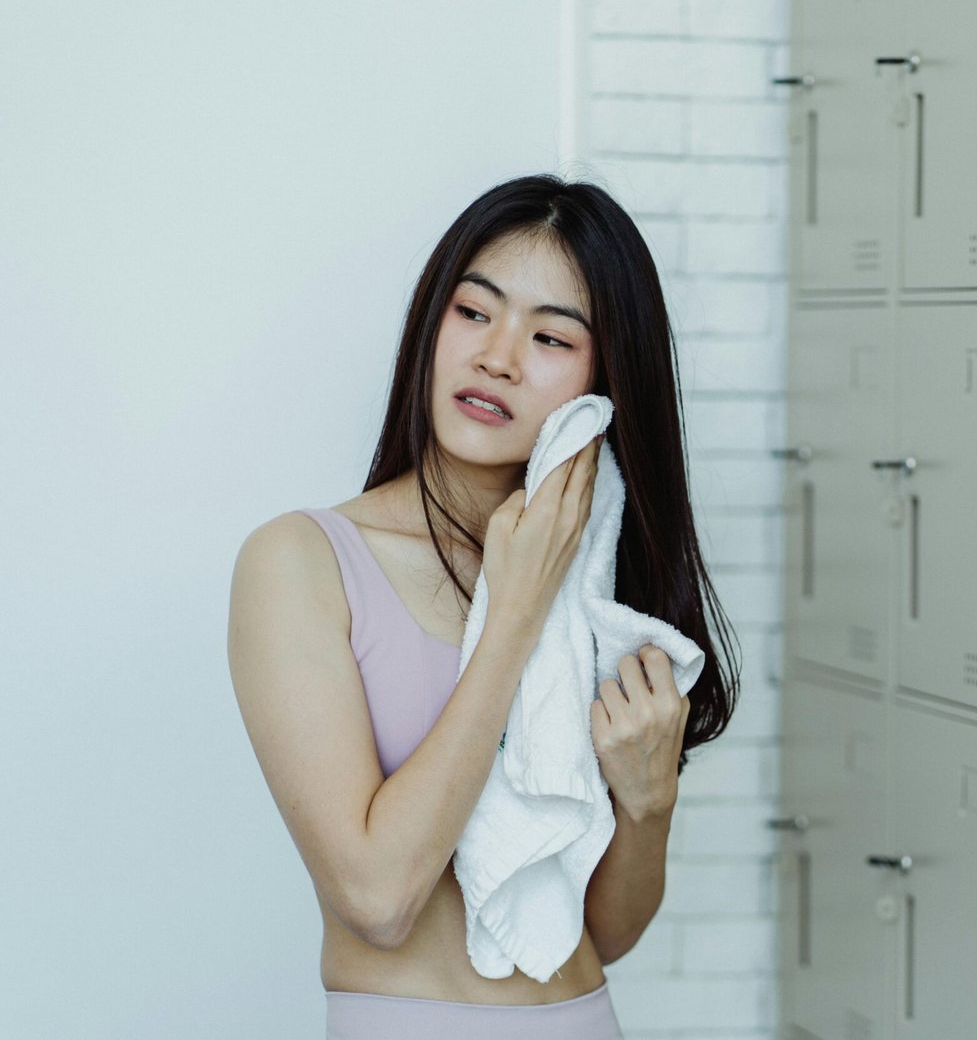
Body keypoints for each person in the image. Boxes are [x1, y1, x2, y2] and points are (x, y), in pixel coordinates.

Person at [227, 174, 741, 1038]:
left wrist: (649, 805)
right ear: (433, 323)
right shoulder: (302, 563)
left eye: (549, 335)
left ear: (604, 375)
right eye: (474, 312)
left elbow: (602, 932)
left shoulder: (594, 588)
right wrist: (513, 616)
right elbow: (377, 898)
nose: (498, 355)